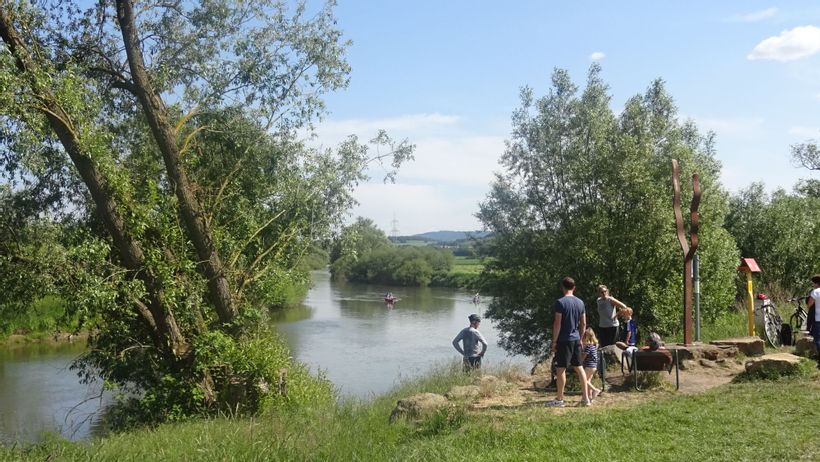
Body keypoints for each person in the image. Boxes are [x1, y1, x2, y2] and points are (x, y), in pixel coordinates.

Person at [546, 277, 591, 407]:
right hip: (576, 339)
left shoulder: (560, 302)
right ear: (574, 288)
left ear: (562, 287)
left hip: (564, 340)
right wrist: (581, 338)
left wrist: (554, 341)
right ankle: (585, 398)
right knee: (579, 368)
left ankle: (560, 399)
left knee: (560, 369)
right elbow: (583, 323)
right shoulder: (580, 303)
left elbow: (557, 323)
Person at [580, 327, 601, 402]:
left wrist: (579, 363)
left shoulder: (588, 346)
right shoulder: (594, 345)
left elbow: (583, 356)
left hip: (589, 366)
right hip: (593, 366)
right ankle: (590, 397)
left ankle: (595, 390)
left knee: (584, 380)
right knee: (588, 381)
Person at [807, 275, 820, 369]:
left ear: (816, 283)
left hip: (818, 318)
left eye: (813, 283)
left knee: (818, 339)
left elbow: (809, 304)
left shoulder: (815, 292)